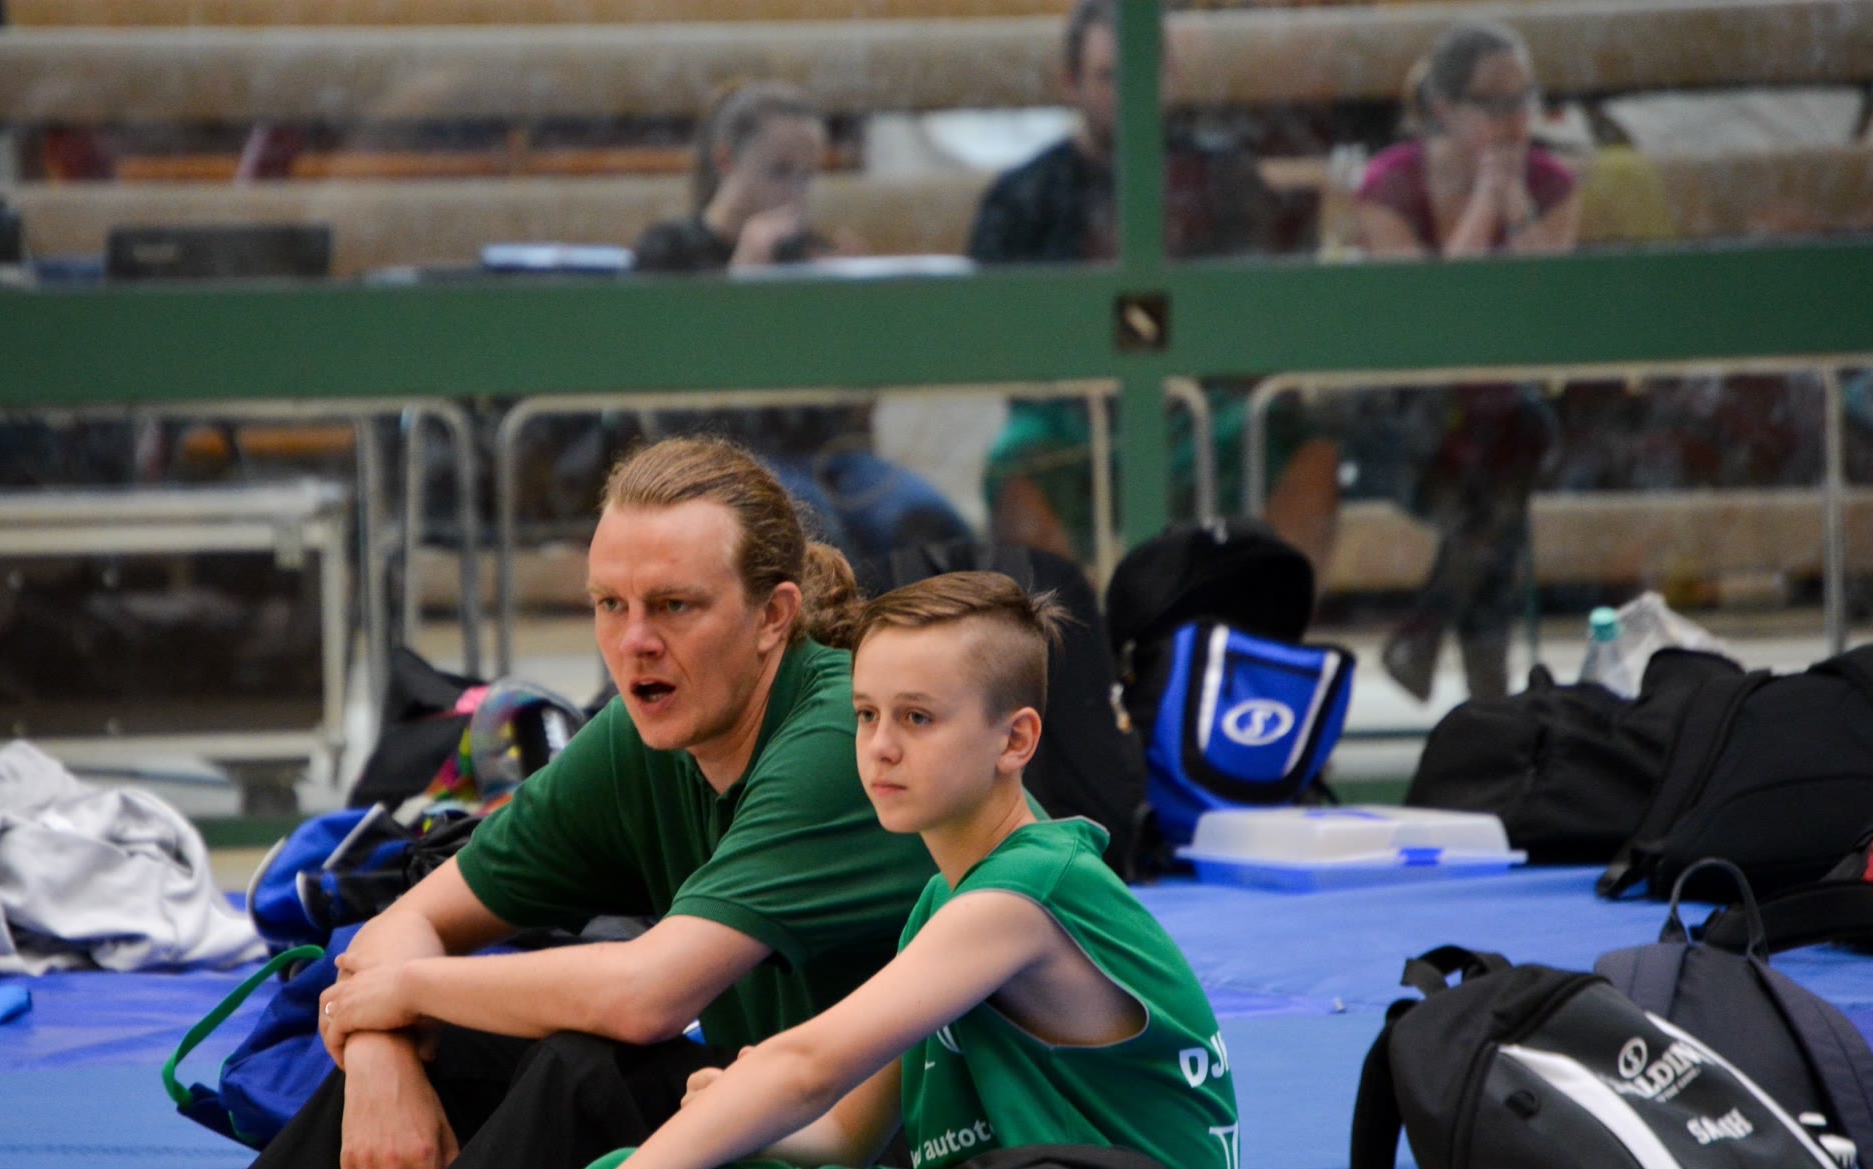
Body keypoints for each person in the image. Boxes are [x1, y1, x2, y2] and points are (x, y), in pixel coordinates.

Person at [125, 436, 940, 1169]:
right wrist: (384, 1051)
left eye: (674, 605)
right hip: (754, 1108)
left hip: (883, 1163)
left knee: (585, 1066)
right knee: (468, 1043)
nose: (634, 641)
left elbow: (647, 995)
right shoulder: (646, 732)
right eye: (609, 605)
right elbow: (409, 920)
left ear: (773, 616)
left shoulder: (841, 735)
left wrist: (400, 992)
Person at [432, 571, 1239, 1169]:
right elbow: (846, 1129)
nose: (880, 745)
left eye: (917, 717)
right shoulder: (946, 898)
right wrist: (721, 1125)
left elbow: (809, 1067)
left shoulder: (1025, 893)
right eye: (865, 713)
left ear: (1016, 740)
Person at [966, 0, 1339, 579]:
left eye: (1143, 75)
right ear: (1071, 84)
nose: (1128, 95)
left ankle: (1262, 630)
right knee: (1017, 460)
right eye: (1109, 77)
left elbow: (1268, 312)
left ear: (1170, 77)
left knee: (1307, 446)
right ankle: (1073, 635)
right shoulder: (1022, 198)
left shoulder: (1223, 178)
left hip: (1205, 412)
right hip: (1071, 419)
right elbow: (997, 340)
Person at [631, 82, 971, 576]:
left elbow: (848, 405)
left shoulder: (807, 253)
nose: (794, 192)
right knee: (816, 537)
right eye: (778, 171)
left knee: (930, 528)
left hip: (824, 458)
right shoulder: (669, 252)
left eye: (806, 175)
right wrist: (744, 282)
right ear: (726, 161)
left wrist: (853, 318)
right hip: (721, 457)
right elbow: (673, 392)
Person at [1352, 19, 1580, 703]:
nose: (1515, 120)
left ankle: (1431, 643)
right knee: (1506, 465)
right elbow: (1434, 325)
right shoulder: (1387, 184)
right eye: (1493, 103)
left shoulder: (1552, 183)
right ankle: (1491, 697)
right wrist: (1484, 202)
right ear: (1443, 108)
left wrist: (1516, 203)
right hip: (1409, 413)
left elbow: (1548, 310)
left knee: (1511, 447)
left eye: (1524, 99)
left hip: (1503, 408)